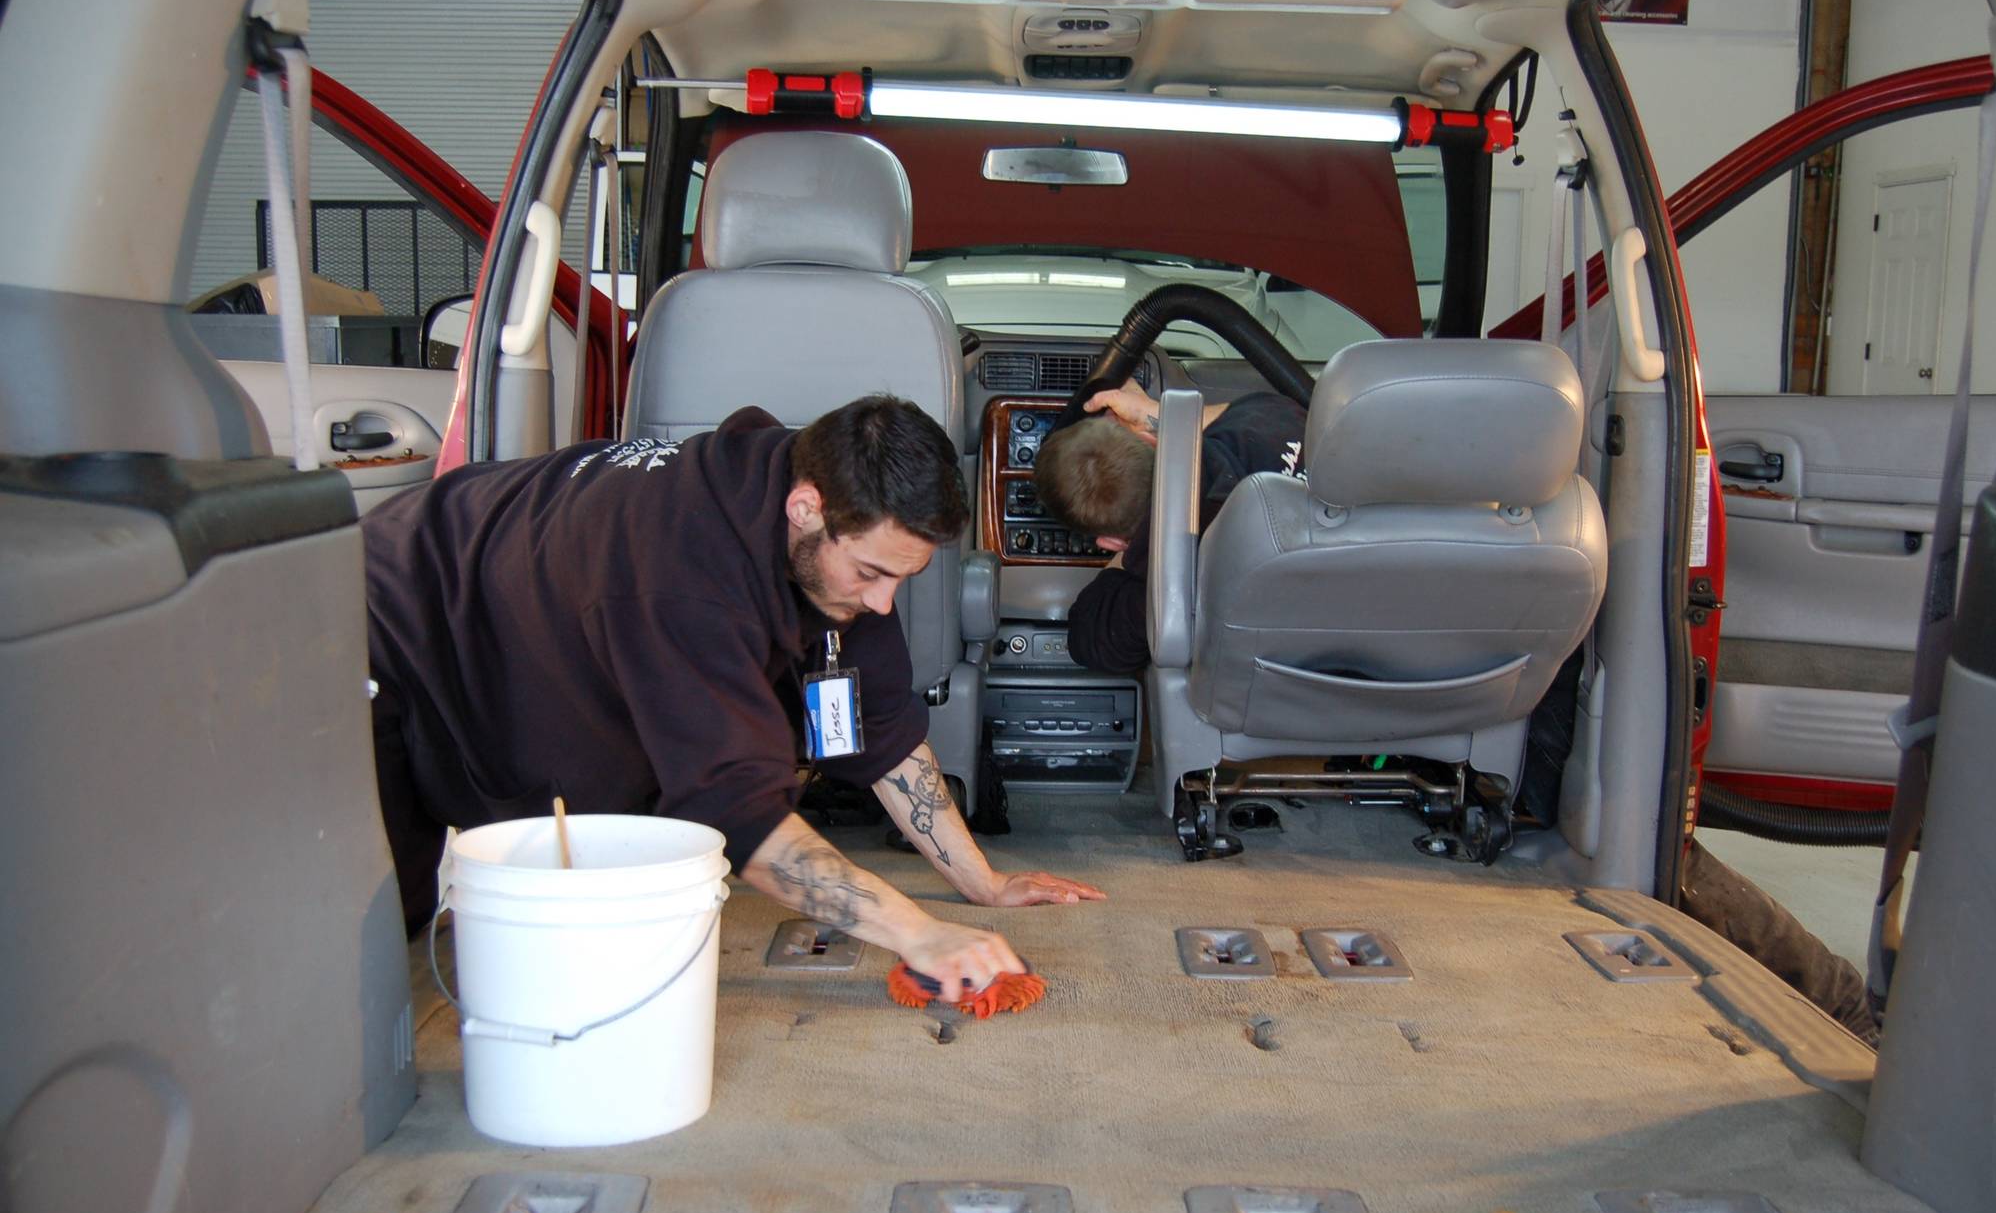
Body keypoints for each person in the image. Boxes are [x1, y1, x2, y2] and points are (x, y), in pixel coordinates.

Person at [363, 394, 1103, 1001]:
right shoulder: (683, 579)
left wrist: (984, 883)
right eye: (874, 574)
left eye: (902, 580)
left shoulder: (822, 498)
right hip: (389, 622)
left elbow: (879, 728)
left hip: (519, 606)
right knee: (373, 943)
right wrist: (918, 933)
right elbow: (733, 816)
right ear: (806, 508)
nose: (884, 605)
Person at [1034, 380, 1308, 675]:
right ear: (1153, 442)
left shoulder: (1155, 596)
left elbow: (1087, 642)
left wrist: (1135, 548)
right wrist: (1157, 414)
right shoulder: (1270, 421)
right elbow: (1256, 408)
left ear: (1111, 543)